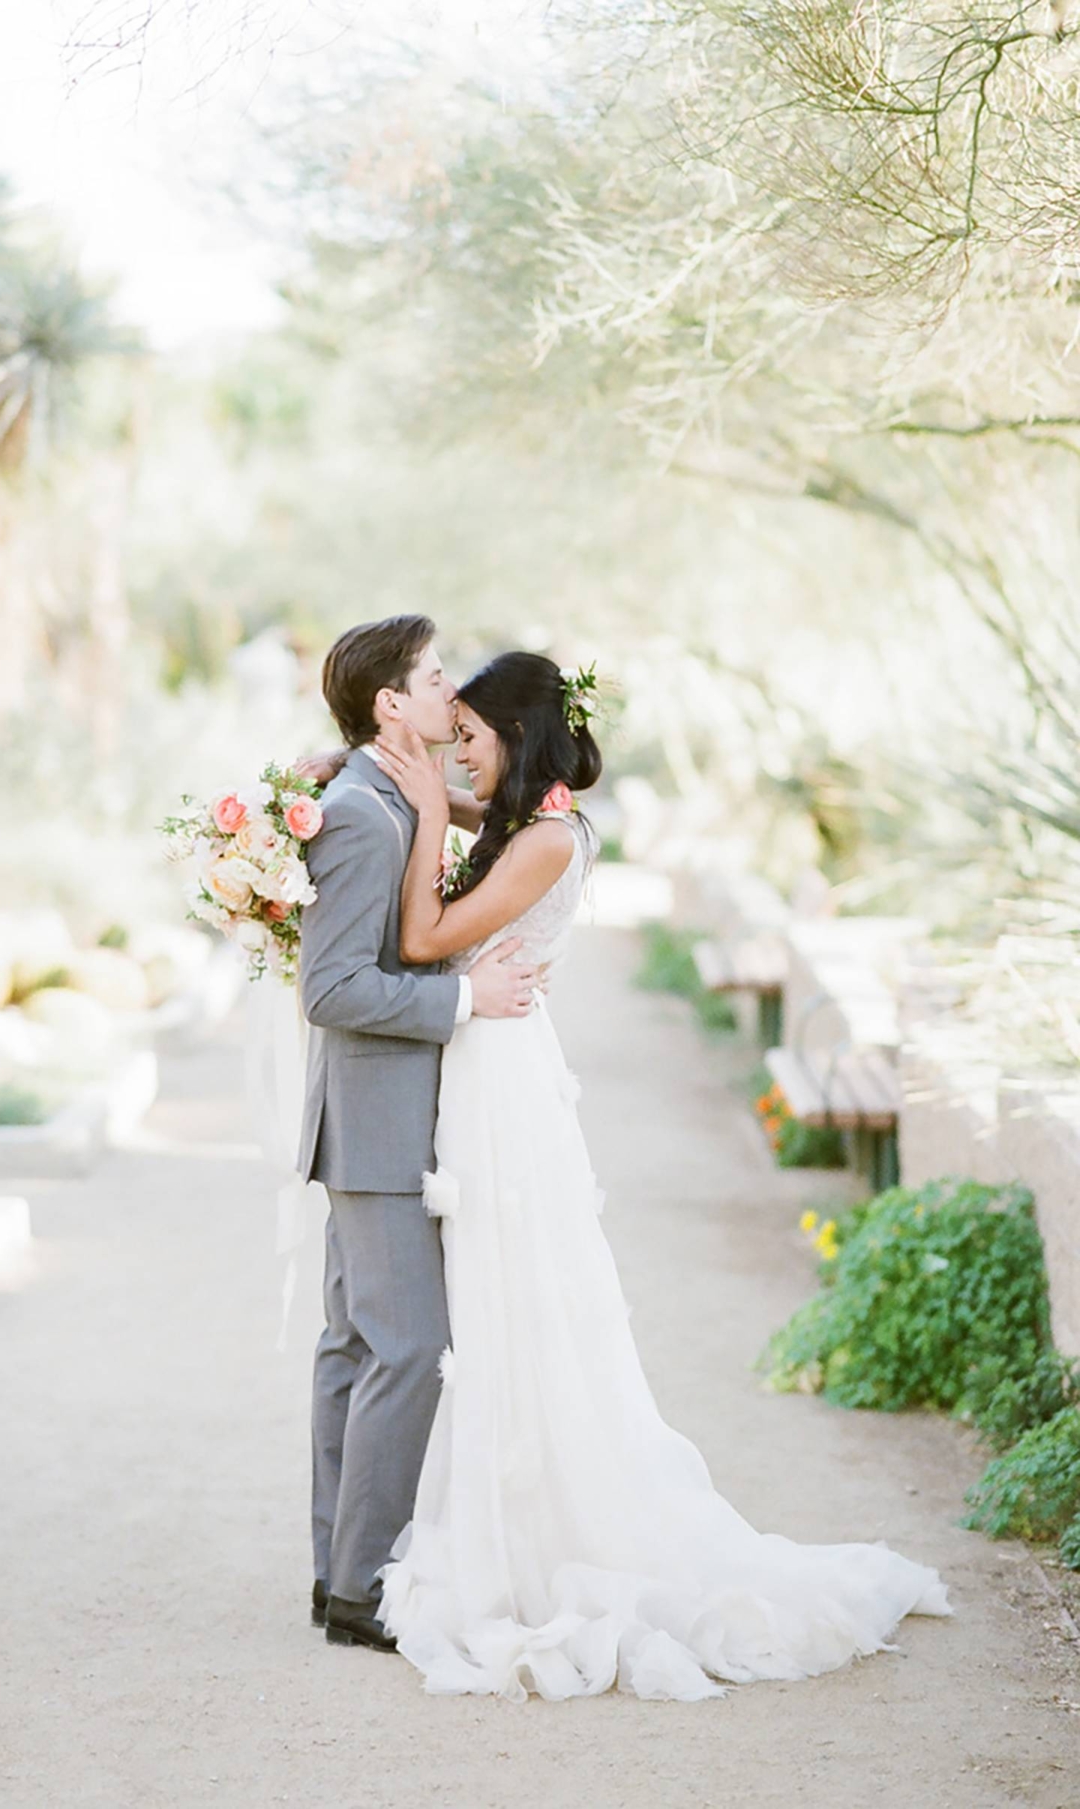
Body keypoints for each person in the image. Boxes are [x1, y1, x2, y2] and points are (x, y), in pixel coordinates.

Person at [367, 649, 952, 1702]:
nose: (458, 764)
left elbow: (421, 936)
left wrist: (417, 810)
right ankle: (508, 1517)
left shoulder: (544, 842)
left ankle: (533, 1537)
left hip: (502, 1078)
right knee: (494, 1298)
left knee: (515, 1298)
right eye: (453, 748)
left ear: (516, 735)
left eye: (470, 743)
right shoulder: (527, 827)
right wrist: (417, 795)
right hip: (491, 1066)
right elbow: (467, 846)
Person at [296, 616, 540, 1654]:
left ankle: (340, 1576)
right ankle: (363, 1586)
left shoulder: (381, 792)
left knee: (357, 1349)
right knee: (407, 1347)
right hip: (380, 1124)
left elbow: (502, 807)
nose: (452, 697)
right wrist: (465, 1001)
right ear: (392, 705)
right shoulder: (363, 814)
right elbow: (333, 985)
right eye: (436, 680)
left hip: (373, 1123)